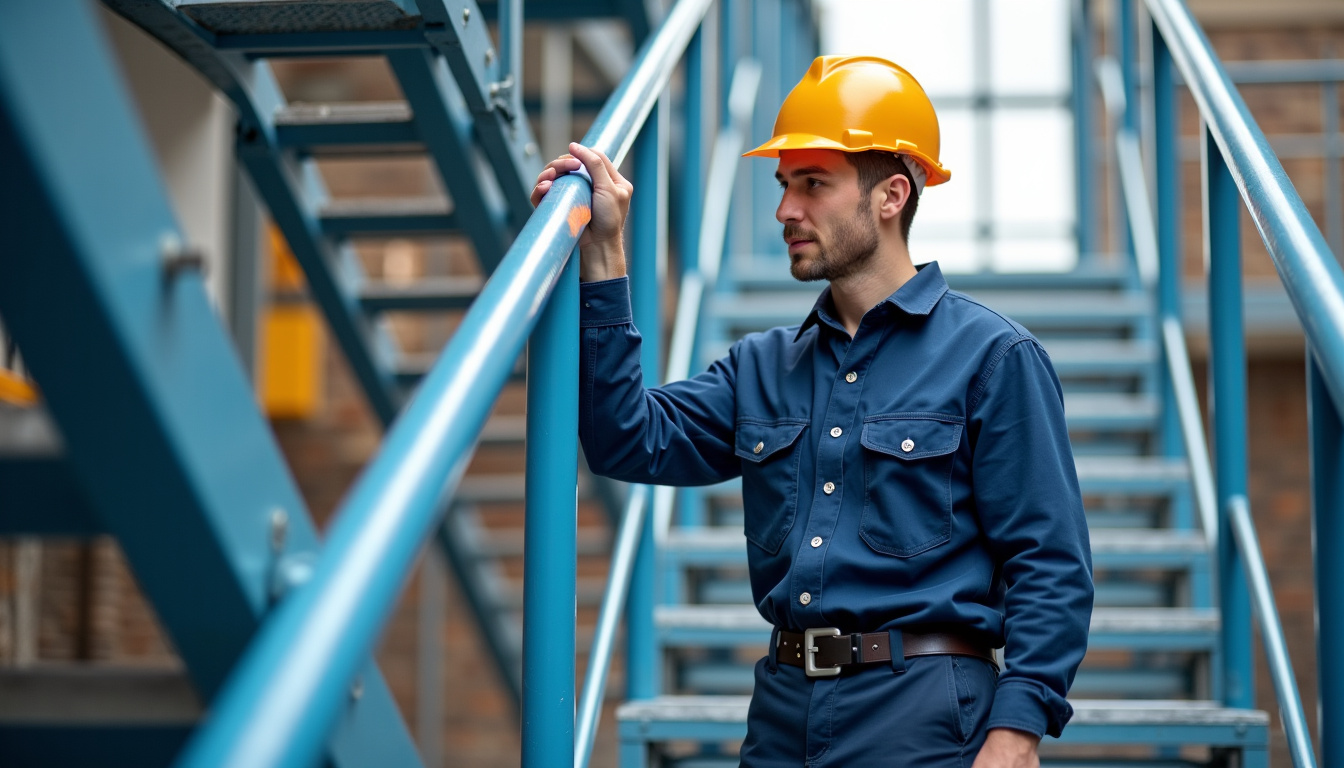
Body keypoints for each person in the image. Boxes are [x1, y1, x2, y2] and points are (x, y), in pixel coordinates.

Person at [531, 55, 1093, 768]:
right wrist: (605, 253)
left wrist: (1017, 729)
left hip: (924, 721)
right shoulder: (762, 367)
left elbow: (1050, 562)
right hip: (782, 717)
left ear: (891, 196)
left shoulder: (993, 357)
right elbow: (624, 440)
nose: (785, 210)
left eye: (813, 184)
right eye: (784, 185)